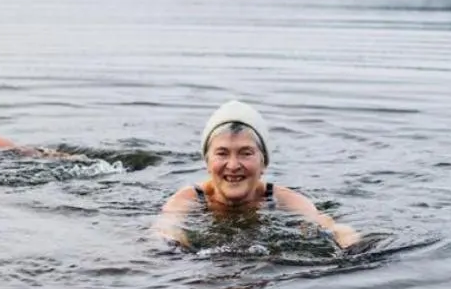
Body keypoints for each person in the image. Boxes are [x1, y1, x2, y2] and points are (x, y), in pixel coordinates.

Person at [154, 100, 360, 249]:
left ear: (264, 163)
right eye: (222, 153)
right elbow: (166, 228)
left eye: (246, 153)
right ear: (207, 162)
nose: (233, 165)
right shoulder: (189, 199)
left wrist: (349, 243)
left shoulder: (282, 199)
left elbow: (327, 224)